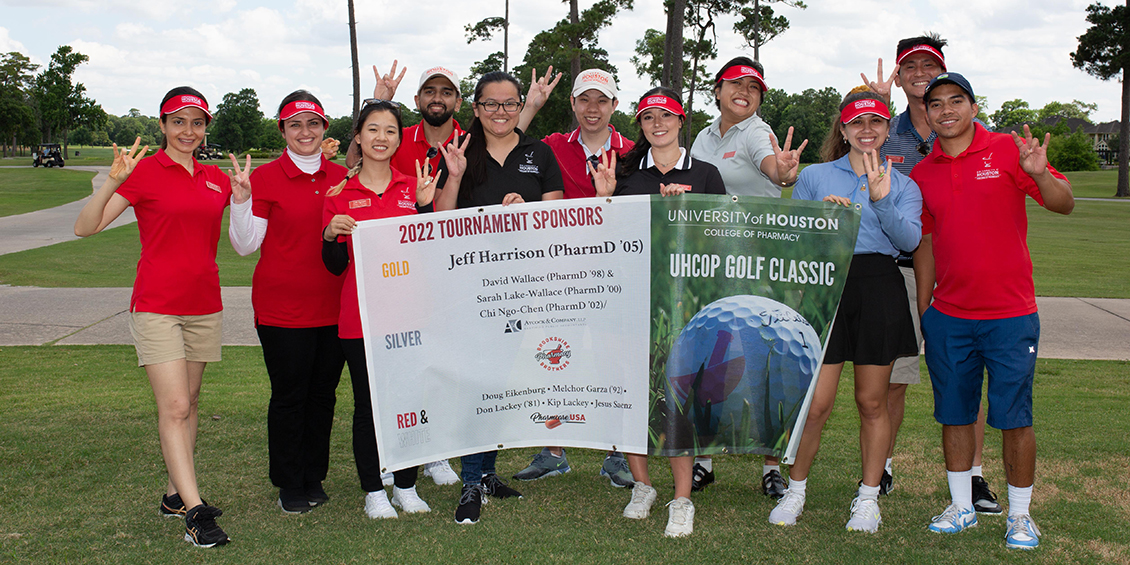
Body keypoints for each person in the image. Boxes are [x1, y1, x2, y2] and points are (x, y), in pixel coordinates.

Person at [73, 87, 245, 547]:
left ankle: (173, 494)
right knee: (174, 408)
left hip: (204, 304)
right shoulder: (144, 172)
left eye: (196, 122)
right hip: (156, 305)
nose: (187, 131)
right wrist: (112, 180)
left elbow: (250, 224)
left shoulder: (216, 178)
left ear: (205, 128)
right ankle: (195, 512)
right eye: (178, 121)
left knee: (189, 402)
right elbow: (85, 227)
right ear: (163, 125)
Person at [912, 72, 1073, 549]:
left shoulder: (1007, 149)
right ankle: (962, 506)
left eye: (955, 101)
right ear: (927, 113)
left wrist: (1041, 173)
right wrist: (926, 305)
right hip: (950, 317)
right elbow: (925, 243)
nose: (945, 110)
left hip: (1010, 314)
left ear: (973, 106)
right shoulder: (924, 173)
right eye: (935, 103)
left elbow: (1063, 205)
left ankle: (1020, 516)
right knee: (955, 415)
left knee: (1014, 416)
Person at [768, 88, 922, 533]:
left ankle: (868, 498)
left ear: (887, 129)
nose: (867, 130)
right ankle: (796, 491)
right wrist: (821, 219)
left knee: (872, 402)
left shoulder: (904, 183)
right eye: (857, 123)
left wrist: (881, 199)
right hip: (827, 286)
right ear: (844, 128)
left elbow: (908, 241)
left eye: (875, 122)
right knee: (816, 404)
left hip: (878, 287)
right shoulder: (816, 176)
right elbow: (794, 237)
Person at [863, 35, 1002, 511]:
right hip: (899, 270)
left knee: (964, 377)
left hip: (962, 270)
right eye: (911, 67)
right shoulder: (885, 130)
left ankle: (976, 475)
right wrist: (874, 111)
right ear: (899, 77)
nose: (920, 73)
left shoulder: (969, 130)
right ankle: (880, 467)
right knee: (895, 378)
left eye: (930, 65)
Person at [587, 87, 724, 537]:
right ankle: (643, 486)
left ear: (681, 120)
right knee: (632, 394)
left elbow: (719, 240)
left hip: (683, 303)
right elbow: (605, 238)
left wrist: (683, 213)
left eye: (665, 115)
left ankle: (682, 498)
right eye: (647, 118)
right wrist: (604, 198)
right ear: (640, 126)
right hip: (631, 298)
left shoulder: (705, 174)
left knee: (677, 396)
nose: (657, 124)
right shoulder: (624, 173)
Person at [434, 71, 564, 524]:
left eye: (510, 104)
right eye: (491, 104)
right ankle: (471, 480)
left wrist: (528, 213)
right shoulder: (459, 152)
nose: (501, 112)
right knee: (480, 381)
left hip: (523, 287)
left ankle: (485, 472)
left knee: (502, 382)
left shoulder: (539, 152)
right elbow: (438, 221)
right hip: (471, 287)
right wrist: (453, 176)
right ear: (476, 108)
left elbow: (558, 213)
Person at [507, 67, 636, 486]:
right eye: (584, 100)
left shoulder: (633, 151)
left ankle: (617, 452)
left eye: (602, 100)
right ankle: (554, 448)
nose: (592, 108)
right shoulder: (552, 145)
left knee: (613, 361)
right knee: (556, 357)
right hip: (559, 273)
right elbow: (507, 142)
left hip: (612, 274)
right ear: (573, 104)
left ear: (615, 105)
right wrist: (530, 106)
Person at [688, 56, 807, 499]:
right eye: (735, 84)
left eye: (754, 87)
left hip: (759, 262)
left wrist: (784, 171)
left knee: (765, 360)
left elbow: (774, 168)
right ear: (717, 90)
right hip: (714, 260)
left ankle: (771, 464)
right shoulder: (701, 135)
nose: (745, 91)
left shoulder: (757, 131)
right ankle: (704, 459)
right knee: (710, 355)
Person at [227, 91, 348, 514]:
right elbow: (245, 245)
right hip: (283, 309)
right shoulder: (263, 178)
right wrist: (240, 200)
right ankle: (289, 482)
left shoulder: (342, 175)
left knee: (323, 396)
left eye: (313, 123)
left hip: (335, 306)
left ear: (324, 129)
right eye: (295, 124)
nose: (304, 132)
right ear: (282, 130)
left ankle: (314, 475)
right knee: (289, 396)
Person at [321, 99, 436, 519]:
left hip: (409, 318)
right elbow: (334, 268)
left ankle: (406, 484)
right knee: (369, 406)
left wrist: (425, 207)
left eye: (390, 130)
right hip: (361, 319)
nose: (381, 138)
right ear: (358, 136)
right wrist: (331, 236)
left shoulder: (413, 187)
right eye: (372, 129)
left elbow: (431, 254)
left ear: (399, 137)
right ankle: (374, 491)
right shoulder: (339, 194)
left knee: (410, 400)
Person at [365, 61, 464, 486]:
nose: (437, 98)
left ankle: (435, 451)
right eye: (429, 91)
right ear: (418, 99)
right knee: (394, 371)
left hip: (451, 269)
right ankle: (392, 452)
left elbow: (509, 118)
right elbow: (359, 157)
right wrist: (380, 100)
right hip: (396, 276)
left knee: (435, 369)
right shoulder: (396, 135)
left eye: (446, 92)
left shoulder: (472, 134)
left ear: (458, 101)